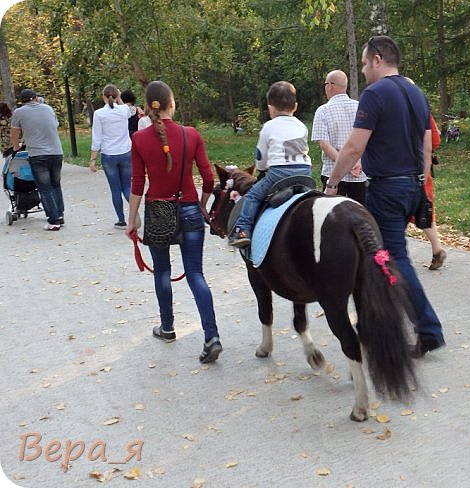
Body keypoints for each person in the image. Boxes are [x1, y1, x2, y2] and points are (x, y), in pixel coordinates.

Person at [324, 35, 445, 357]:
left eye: (364, 63)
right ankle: (379, 321)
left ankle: (427, 329)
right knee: (382, 257)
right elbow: (427, 146)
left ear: (378, 59)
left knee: (390, 259)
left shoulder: (375, 93)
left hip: (387, 189)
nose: (363, 70)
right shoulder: (416, 93)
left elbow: (353, 147)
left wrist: (332, 184)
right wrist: (421, 186)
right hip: (412, 185)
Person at [125, 80, 223, 364]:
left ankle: (167, 327)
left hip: (158, 213)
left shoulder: (139, 140)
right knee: (195, 274)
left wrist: (132, 221)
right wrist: (202, 205)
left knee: (162, 272)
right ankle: (211, 336)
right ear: (172, 104)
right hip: (190, 210)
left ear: (146, 107)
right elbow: (207, 177)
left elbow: (136, 183)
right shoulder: (190, 135)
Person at [228, 81, 312, 248]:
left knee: (252, 196)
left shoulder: (268, 127)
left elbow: (261, 157)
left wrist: (261, 168)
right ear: (295, 107)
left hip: (279, 174)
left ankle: (242, 230)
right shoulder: (302, 126)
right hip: (305, 173)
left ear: (270, 108)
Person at [10, 89, 65, 230]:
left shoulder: (19, 112)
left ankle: (53, 222)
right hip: (56, 152)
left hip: (38, 155)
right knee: (56, 185)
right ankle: (59, 215)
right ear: (35, 98)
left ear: (22, 101)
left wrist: (16, 147)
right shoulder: (48, 108)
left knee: (45, 188)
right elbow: (52, 126)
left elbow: (14, 134)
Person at [311, 70, 366, 204]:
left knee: (333, 220)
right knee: (359, 217)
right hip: (360, 175)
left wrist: (345, 163)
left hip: (333, 176)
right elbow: (368, 139)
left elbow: (324, 144)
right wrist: (354, 163)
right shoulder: (361, 107)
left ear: (330, 85)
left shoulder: (323, 110)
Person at [89, 84, 133, 228]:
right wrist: (119, 97)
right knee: (127, 187)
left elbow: (97, 138)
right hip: (126, 152)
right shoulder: (124, 110)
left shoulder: (99, 114)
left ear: (103, 96)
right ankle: (134, 213)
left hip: (109, 154)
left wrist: (93, 159)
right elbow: (127, 111)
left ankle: (121, 220)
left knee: (115, 189)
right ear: (117, 96)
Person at [423, 114, 446, 270]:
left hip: (411, 167)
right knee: (423, 209)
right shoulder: (421, 110)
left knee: (421, 210)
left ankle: (391, 255)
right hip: (423, 166)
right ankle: (437, 251)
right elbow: (436, 139)